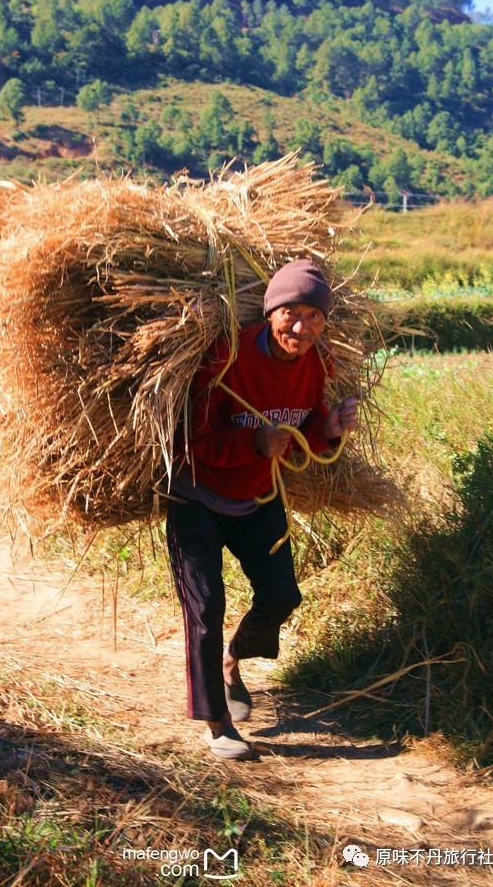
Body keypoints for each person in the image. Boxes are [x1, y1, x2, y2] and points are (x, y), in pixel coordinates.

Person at [167, 258, 358, 760]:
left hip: (258, 497)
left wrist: (329, 428)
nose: (302, 327)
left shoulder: (319, 363)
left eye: (314, 316)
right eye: (291, 313)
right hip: (197, 498)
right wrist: (253, 442)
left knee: (281, 596)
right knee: (205, 608)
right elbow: (193, 439)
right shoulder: (226, 355)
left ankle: (232, 660)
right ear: (272, 311)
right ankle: (216, 722)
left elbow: (303, 432)